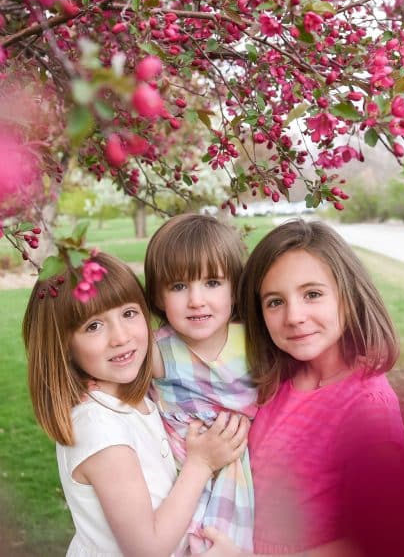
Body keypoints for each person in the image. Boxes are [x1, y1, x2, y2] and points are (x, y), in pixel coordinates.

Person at [22, 252, 250, 557]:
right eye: (93, 326)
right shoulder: (100, 429)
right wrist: (201, 464)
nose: (121, 337)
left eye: (129, 313)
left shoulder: (130, 399)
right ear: (63, 345)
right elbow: (147, 549)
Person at [205, 219, 404, 556]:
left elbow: (377, 539)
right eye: (275, 302)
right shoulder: (277, 381)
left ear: (349, 296)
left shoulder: (368, 407)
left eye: (312, 294)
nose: (294, 316)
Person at [143, 213, 258, 554]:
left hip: (235, 467)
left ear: (235, 289)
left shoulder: (255, 342)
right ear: (159, 297)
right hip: (182, 468)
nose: (196, 300)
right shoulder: (159, 349)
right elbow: (109, 370)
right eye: (179, 286)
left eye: (212, 283)